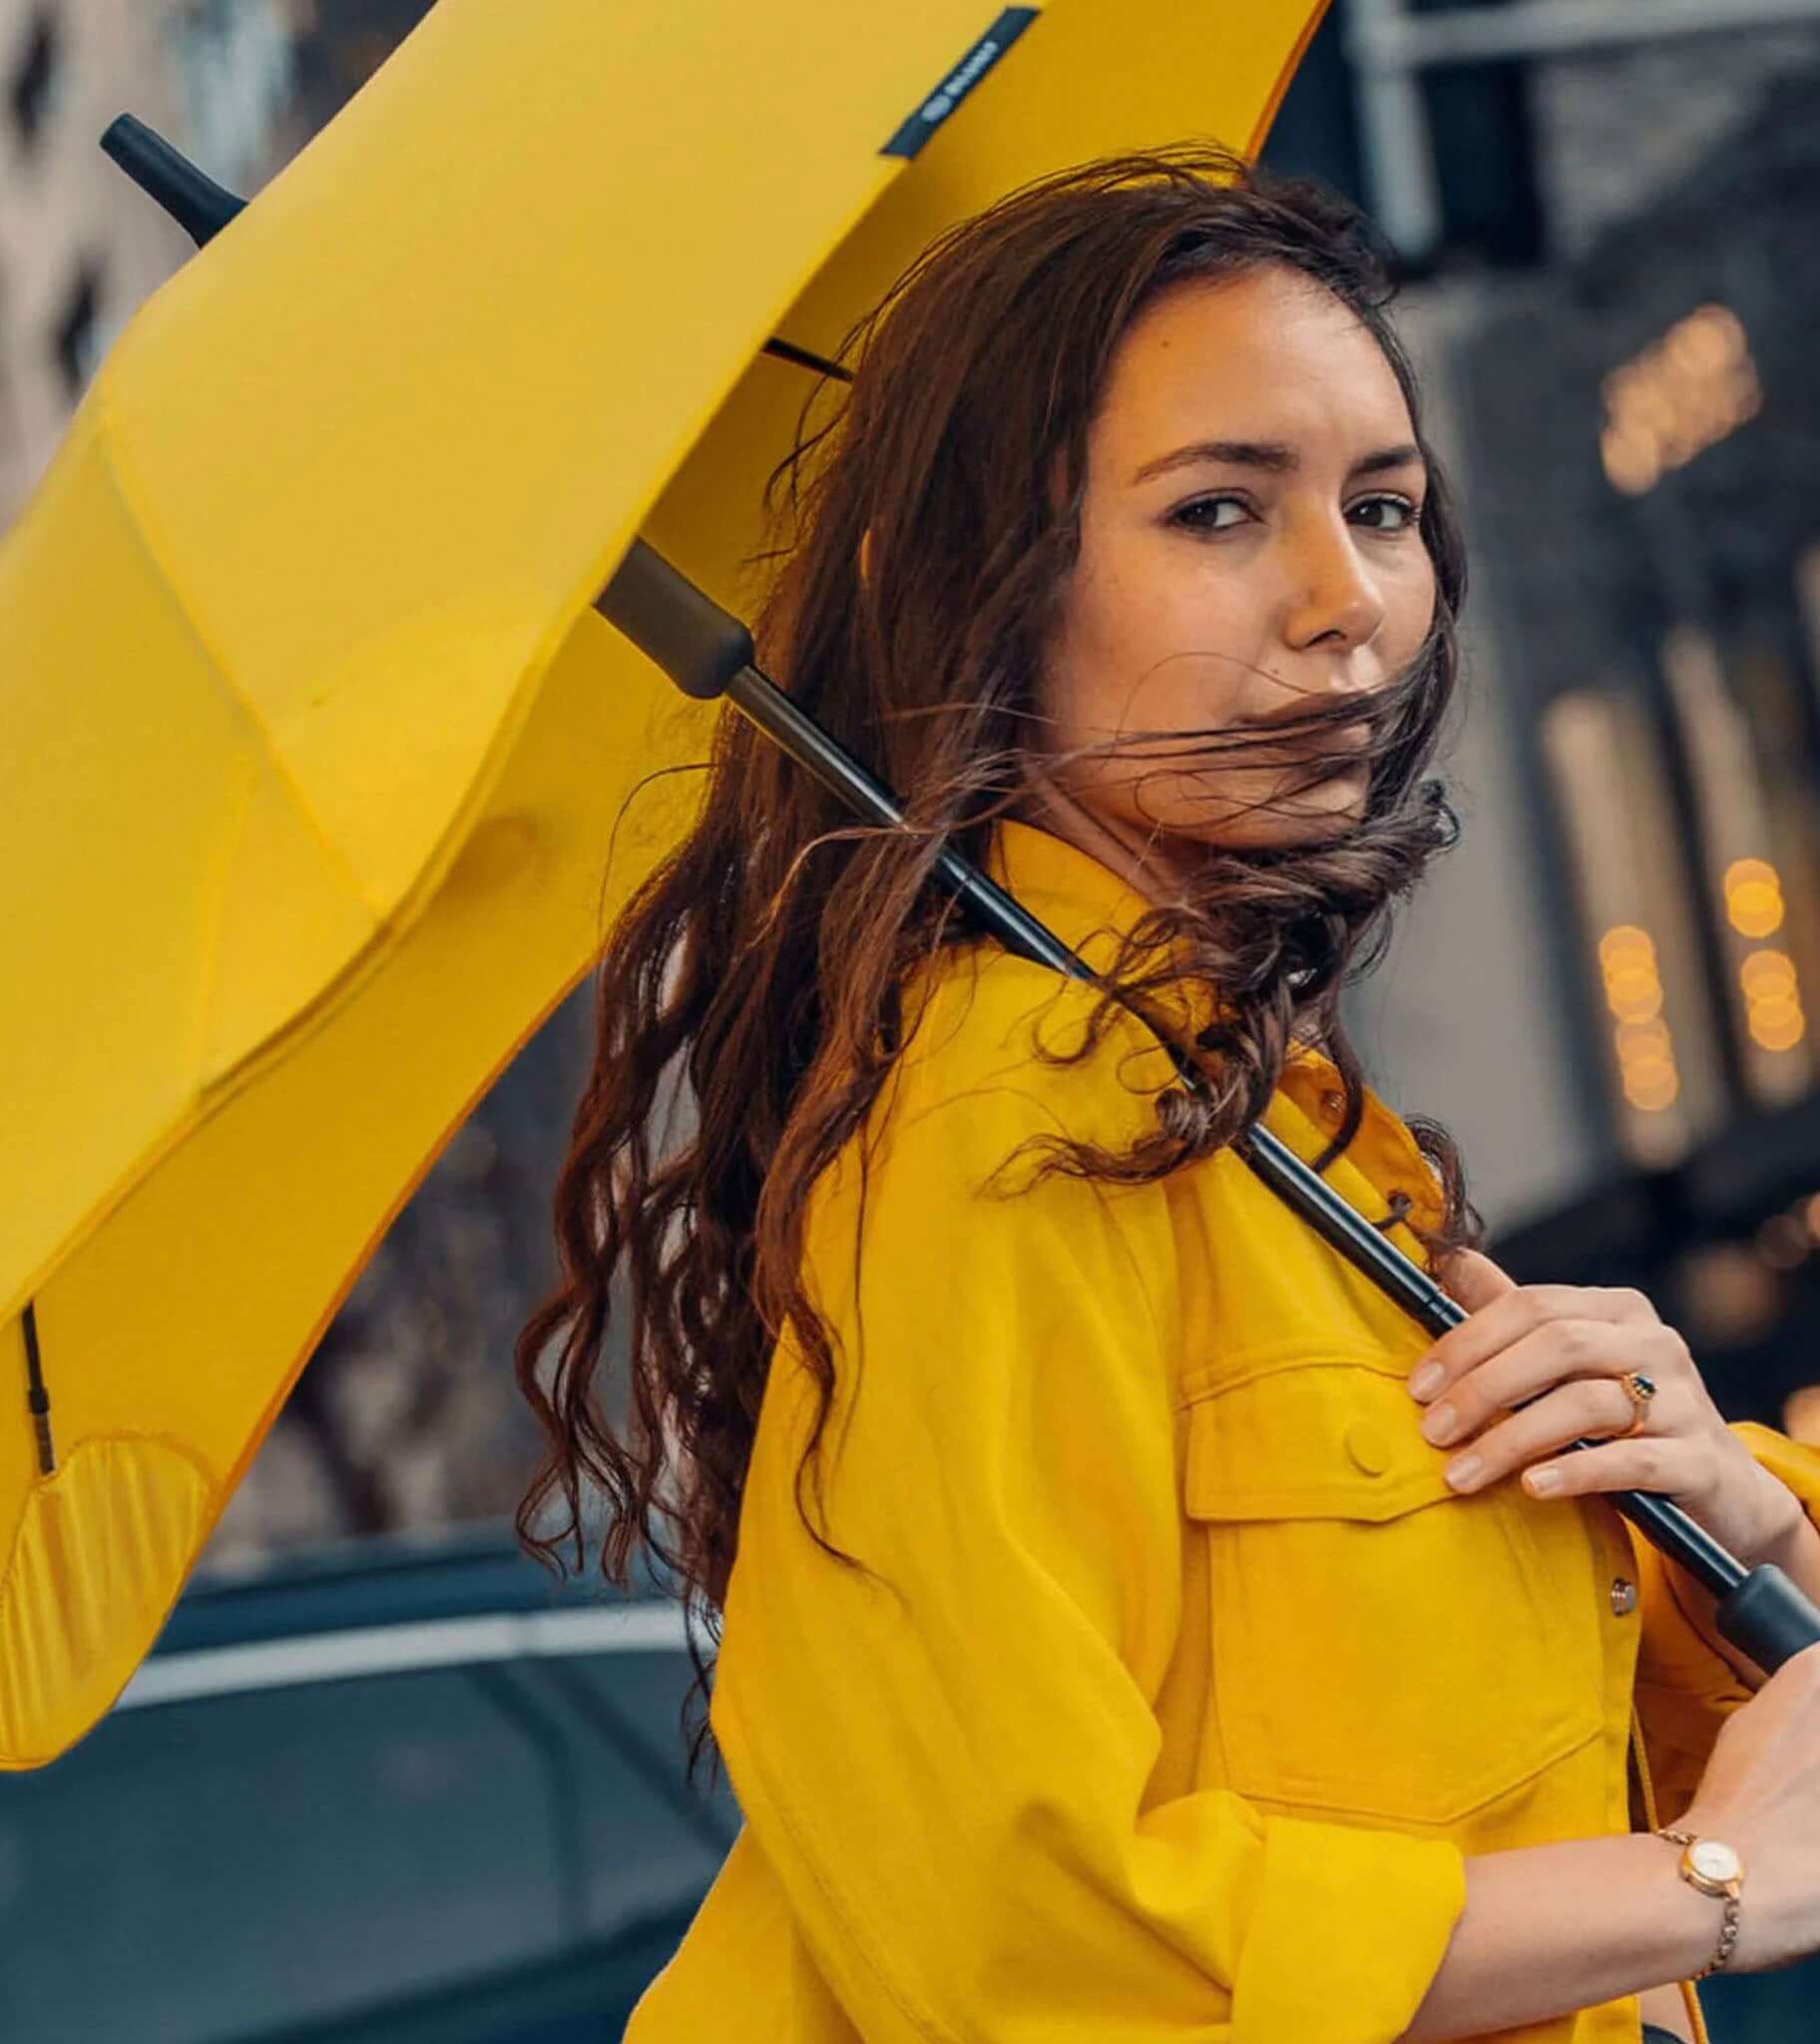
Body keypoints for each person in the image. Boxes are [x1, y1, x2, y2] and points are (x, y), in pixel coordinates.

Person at [513, 147, 1820, 2043]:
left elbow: (1474, 1762)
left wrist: (1730, 1518)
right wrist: (1707, 1886)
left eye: (1386, 504)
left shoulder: (1252, 1120)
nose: (1346, 602)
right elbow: (1016, 1944)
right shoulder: (995, 1126)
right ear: (984, 591)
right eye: (1217, 511)